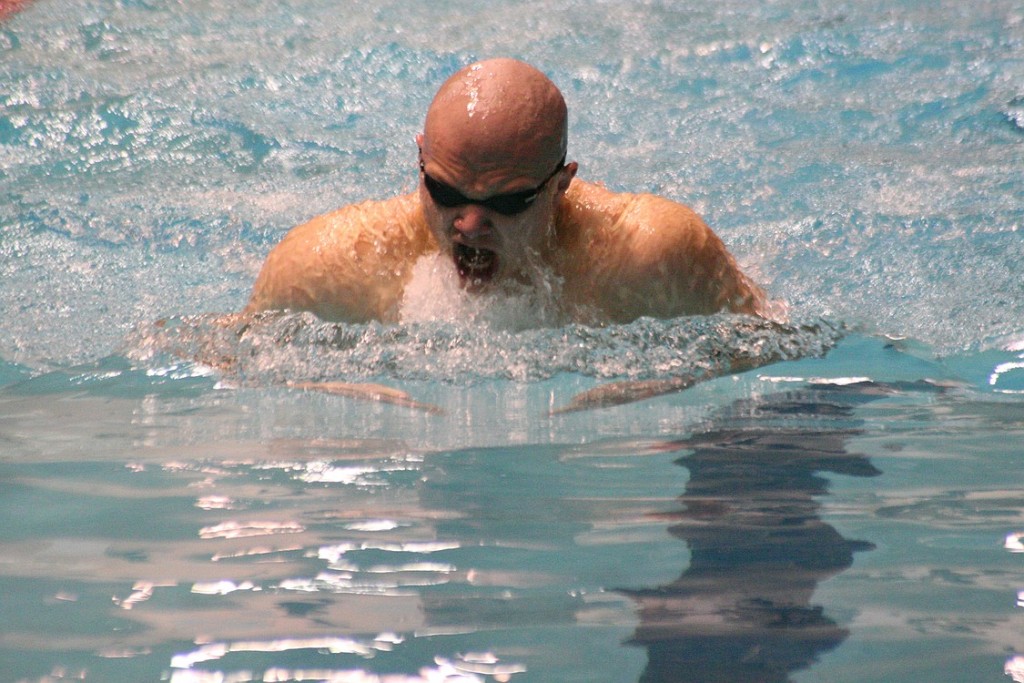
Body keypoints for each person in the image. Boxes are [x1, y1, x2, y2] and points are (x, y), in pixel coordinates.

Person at [245, 58, 766, 325]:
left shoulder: (650, 252)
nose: (470, 224)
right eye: (446, 192)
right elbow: (224, 358)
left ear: (561, 186)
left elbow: (772, 351)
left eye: (507, 202)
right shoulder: (324, 264)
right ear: (420, 161)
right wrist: (340, 391)